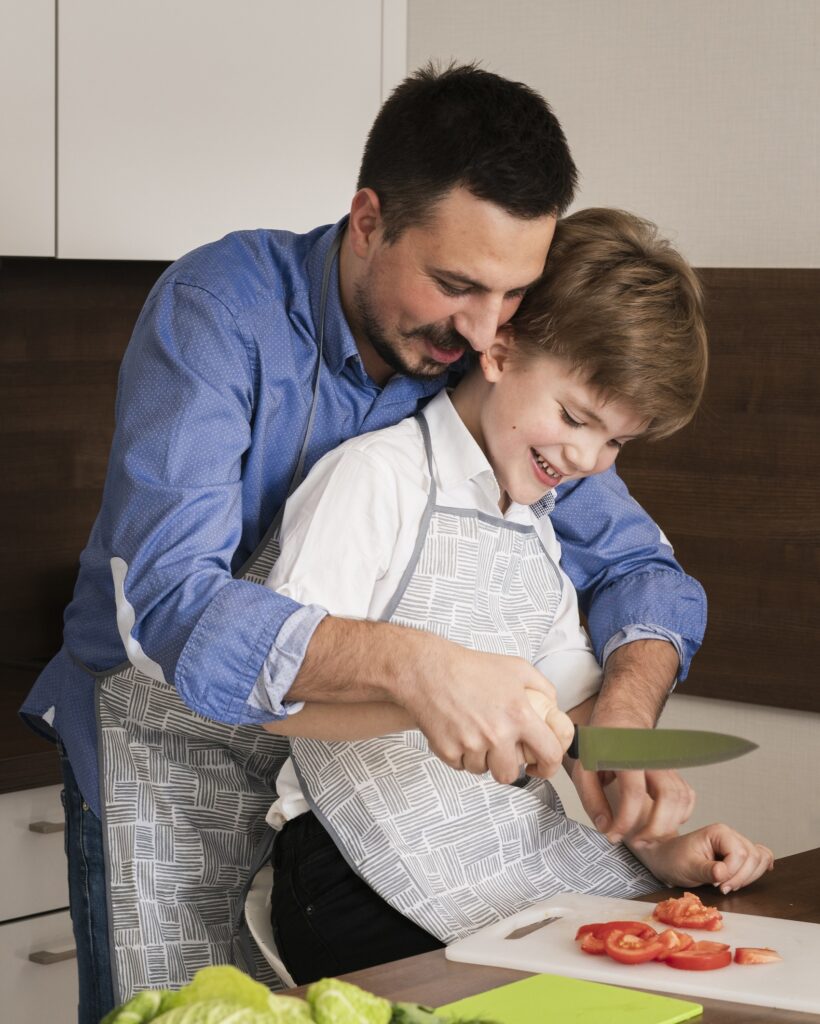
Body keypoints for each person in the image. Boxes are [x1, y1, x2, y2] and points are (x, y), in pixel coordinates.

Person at [20, 63, 705, 1019]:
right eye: (456, 285)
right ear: (369, 220)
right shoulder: (221, 313)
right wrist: (417, 666)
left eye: (509, 298)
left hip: (327, 779)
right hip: (166, 747)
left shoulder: (478, 353)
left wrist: (621, 720)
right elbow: (171, 602)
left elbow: (637, 568)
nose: (479, 330)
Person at [261, 208, 772, 983]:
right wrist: (429, 698)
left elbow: (572, 731)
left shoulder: (538, 525)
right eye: (574, 418)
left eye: (615, 442)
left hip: (511, 859)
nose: (588, 458)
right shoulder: (376, 479)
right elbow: (270, 688)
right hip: (348, 867)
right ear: (499, 348)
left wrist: (655, 842)